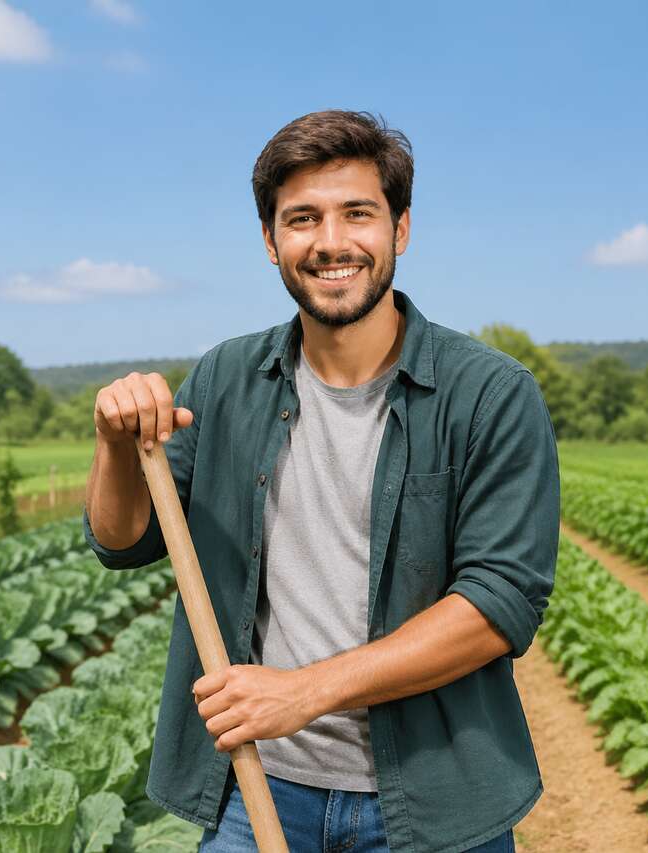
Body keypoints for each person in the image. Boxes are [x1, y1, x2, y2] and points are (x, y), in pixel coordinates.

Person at [83, 109, 559, 852]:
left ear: (400, 229)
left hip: (434, 801)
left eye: (357, 214)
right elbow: (124, 540)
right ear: (272, 242)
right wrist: (115, 445)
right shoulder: (225, 377)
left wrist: (302, 692)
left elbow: (497, 604)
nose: (331, 242)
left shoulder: (489, 393)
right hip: (256, 786)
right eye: (302, 218)